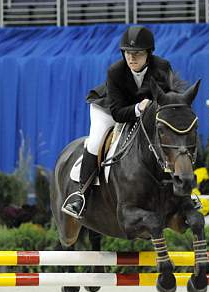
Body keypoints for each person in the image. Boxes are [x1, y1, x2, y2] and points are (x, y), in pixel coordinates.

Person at [61, 25, 176, 219]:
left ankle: (184, 193)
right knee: (96, 140)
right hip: (109, 110)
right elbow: (117, 113)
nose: (131, 58)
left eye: (137, 53)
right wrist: (138, 109)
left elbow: (168, 100)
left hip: (145, 113)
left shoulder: (163, 67)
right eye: (127, 53)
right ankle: (80, 195)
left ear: (149, 53)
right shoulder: (115, 71)